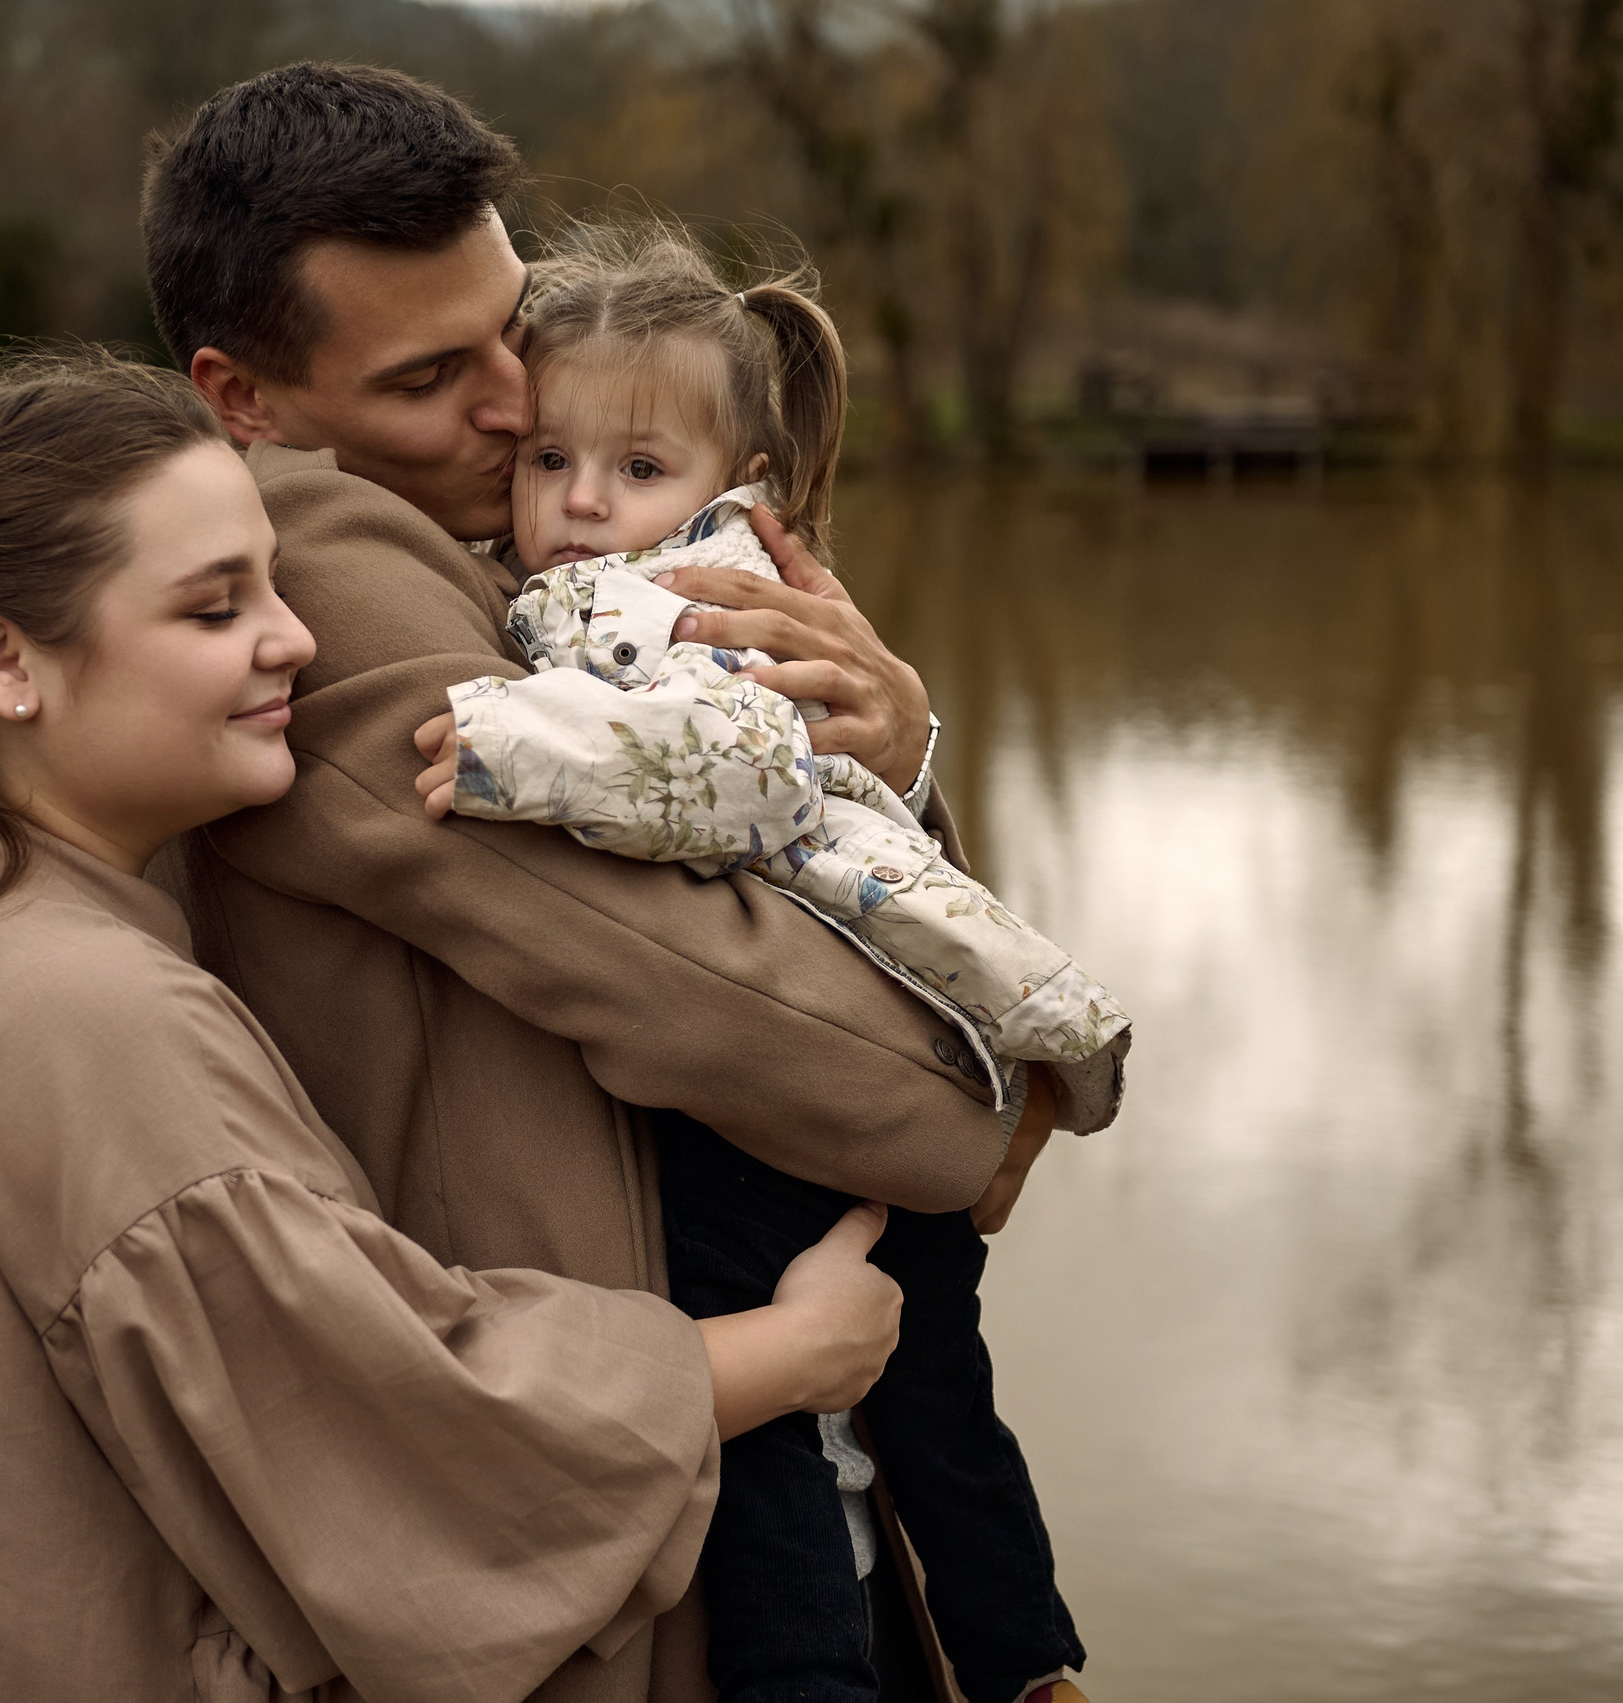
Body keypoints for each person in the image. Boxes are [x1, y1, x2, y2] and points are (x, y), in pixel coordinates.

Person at [0, 354, 907, 1703]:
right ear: (3, 662)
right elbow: (409, 1432)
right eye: (217, 607)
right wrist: (791, 1351)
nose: (293, 637)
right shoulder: (78, 1016)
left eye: (276, 587)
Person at [142, 64, 1051, 1699]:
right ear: (244, 399)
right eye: (436, 374)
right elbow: (674, 959)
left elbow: (806, 843)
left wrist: (895, 741)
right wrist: (978, 1103)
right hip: (614, 1510)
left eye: (512, 323)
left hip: (711, 1426)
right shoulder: (322, 565)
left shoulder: (545, 558)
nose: (514, 402)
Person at [414, 223, 1113, 1703]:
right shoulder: (676, 577)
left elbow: (731, 773)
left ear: (734, 490)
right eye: (551, 462)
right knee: (936, 1395)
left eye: (637, 470)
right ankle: (1030, 1664)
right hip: (870, 1041)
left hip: (776, 1093)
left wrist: (498, 744)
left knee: (778, 1431)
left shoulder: (659, 605)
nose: (583, 501)